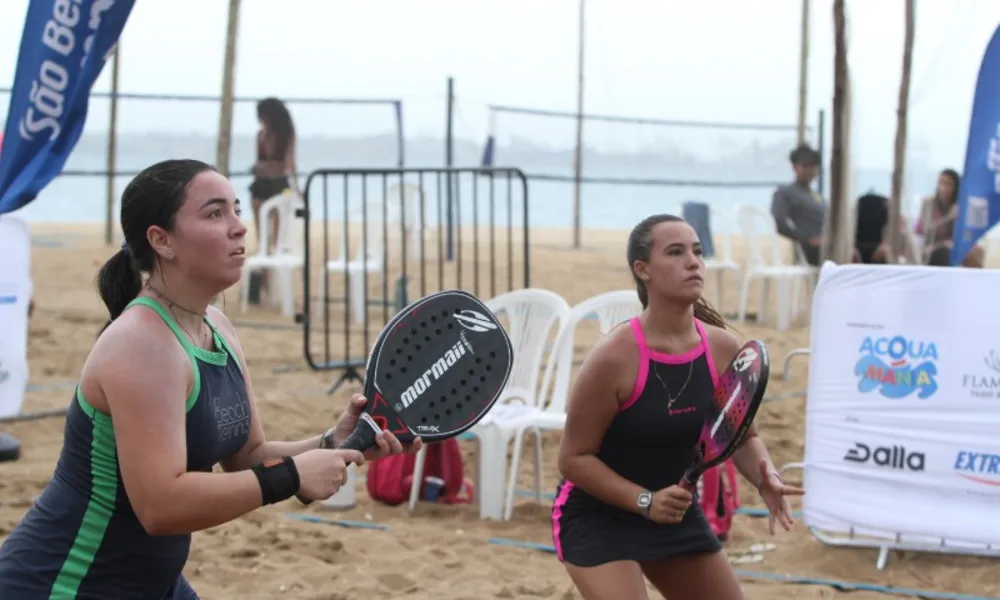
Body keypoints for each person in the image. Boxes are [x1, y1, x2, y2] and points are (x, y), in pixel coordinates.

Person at [0, 159, 420, 599]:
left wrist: (334, 442)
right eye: (215, 213)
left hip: (151, 583)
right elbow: (161, 506)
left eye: (237, 209)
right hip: (67, 583)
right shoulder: (141, 343)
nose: (239, 227)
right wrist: (292, 476)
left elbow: (247, 456)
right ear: (161, 241)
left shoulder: (216, 325)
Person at [553, 214, 805, 600]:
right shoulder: (613, 359)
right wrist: (644, 501)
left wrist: (764, 475)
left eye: (697, 251)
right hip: (598, 516)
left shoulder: (722, 348)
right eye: (675, 252)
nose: (693, 261)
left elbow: (739, 435)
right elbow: (573, 458)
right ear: (643, 270)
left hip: (672, 512)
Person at [249, 97, 299, 300]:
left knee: (276, 240)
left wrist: (297, 187)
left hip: (278, 185)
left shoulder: (286, 135)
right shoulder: (260, 135)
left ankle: (271, 286)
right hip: (260, 184)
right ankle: (263, 283)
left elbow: (289, 163)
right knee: (263, 239)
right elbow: (260, 161)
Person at [915, 168, 985, 268]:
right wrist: (948, 217)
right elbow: (927, 230)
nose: (943, 188)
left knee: (977, 252)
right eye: (941, 183)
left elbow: (967, 232)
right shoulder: (929, 203)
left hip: (953, 245)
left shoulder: (960, 204)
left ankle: (973, 281)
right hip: (932, 245)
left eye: (948, 184)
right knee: (944, 253)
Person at [771, 144, 826, 266]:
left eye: (813, 166)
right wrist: (807, 239)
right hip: (811, 249)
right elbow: (779, 222)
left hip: (827, 242)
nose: (810, 170)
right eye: (805, 166)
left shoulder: (815, 195)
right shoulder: (786, 192)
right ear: (795, 167)